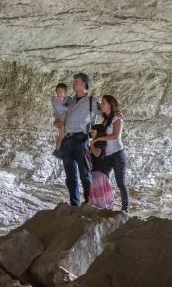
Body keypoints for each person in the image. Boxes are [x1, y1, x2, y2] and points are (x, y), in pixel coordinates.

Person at [60, 73, 101, 206]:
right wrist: (58, 123)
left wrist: (116, 114)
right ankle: (74, 204)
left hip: (81, 139)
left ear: (84, 84)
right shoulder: (70, 101)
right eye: (74, 81)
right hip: (67, 139)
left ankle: (89, 202)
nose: (74, 82)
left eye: (77, 81)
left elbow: (105, 113)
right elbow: (63, 118)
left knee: (84, 173)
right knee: (70, 176)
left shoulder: (92, 101)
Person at [89, 95, 128, 213]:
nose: (102, 104)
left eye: (104, 102)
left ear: (110, 105)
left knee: (120, 182)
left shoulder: (117, 118)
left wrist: (96, 140)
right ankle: (103, 205)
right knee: (100, 176)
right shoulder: (106, 120)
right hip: (108, 156)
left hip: (117, 154)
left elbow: (115, 135)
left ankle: (125, 209)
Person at [88, 124, 115, 209]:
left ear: (98, 132)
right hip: (97, 170)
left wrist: (91, 144)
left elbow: (97, 153)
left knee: (99, 191)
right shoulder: (97, 142)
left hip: (99, 170)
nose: (91, 133)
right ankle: (101, 207)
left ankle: (100, 207)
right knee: (99, 190)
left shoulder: (98, 142)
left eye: (93, 131)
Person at [51, 83, 72, 158]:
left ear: (65, 92)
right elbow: (65, 108)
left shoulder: (68, 98)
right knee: (62, 135)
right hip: (59, 117)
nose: (59, 92)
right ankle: (57, 151)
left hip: (65, 116)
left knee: (65, 134)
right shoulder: (55, 99)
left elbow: (71, 104)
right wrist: (68, 108)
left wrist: (69, 107)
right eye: (58, 90)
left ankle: (61, 150)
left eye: (61, 90)